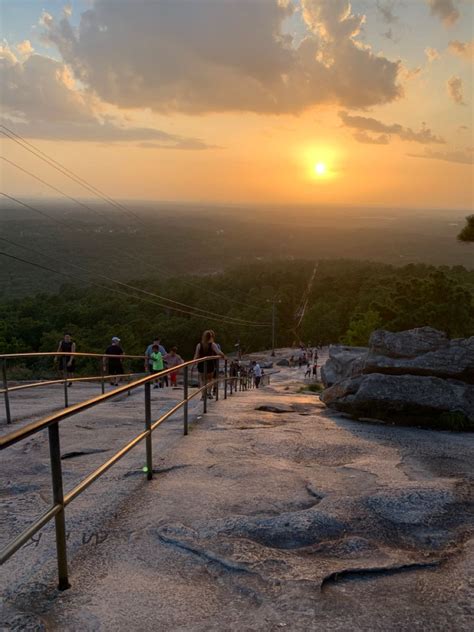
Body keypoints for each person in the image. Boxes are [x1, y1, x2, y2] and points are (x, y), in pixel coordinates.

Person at [193, 330, 225, 400]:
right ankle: (209, 393)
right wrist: (223, 356)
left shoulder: (199, 345)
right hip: (210, 364)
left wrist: (194, 362)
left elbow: (196, 355)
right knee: (210, 379)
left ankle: (203, 395)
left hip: (201, 364)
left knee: (202, 380)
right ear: (211, 337)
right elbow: (218, 352)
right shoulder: (213, 344)